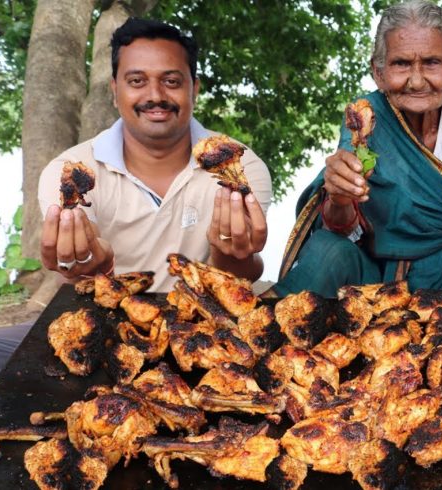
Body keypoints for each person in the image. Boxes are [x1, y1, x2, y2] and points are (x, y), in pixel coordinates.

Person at [273, 0, 442, 298]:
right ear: (378, 72)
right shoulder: (365, 118)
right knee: (327, 249)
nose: (416, 81)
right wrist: (339, 197)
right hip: (376, 276)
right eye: (401, 64)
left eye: (431, 63)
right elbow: (339, 227)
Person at [38, 18, 272, 292]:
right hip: (108, 320)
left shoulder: (238, 165)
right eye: (137, 81)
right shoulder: (71, 172)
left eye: (171, 81)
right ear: (115, 91)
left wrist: (235, 254)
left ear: (193, 90)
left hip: (209, 320)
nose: (155, 95)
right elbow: (77, 278)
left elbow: (238, 278)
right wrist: (93, 266)